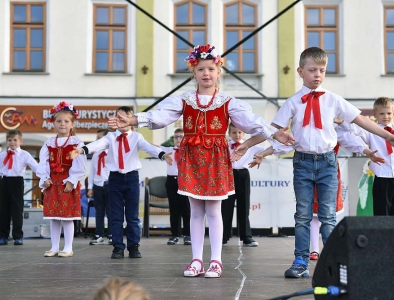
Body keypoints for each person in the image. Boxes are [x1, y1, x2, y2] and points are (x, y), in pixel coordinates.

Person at [107, 44, 295, 278]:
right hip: (193, 158)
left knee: (214, 210)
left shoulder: (228, 101)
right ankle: (196, 259)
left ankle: (215, 260)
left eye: (211, 69)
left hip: (216, 158)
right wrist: (134, 120)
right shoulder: (184, 100)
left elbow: (252, 122)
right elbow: (161, 116)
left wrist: (276, 134)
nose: (206, 73)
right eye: (201, 69)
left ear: (219, 72)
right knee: (195, 211)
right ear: (193, 73)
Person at [233, 47, 394, 278]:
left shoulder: (333, 100)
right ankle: (300, 261)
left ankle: (336, 263)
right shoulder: (293, 102)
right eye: (312, 70)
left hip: (328, 162)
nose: (317, 75)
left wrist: (387, 136)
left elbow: (359, 120)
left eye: (322, 70)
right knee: (303, 214)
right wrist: (248, 145)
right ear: (300, 71)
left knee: (328, 215)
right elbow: (272, 130)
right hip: (303, 162)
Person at [70, 106, 173, 259]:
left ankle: (133, 246)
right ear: (115, 121)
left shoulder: (136, 137)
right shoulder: (110, 137)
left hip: (131, 178)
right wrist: (82, 150)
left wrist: (162, 154)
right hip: (115, 179)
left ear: (132, 121)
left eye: (126, 118)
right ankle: (117, 247)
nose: (122, 122)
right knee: (116, 216)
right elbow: (97, 145)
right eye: (119, 118)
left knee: (132, 216)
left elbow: (149, 148)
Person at [36, 101, 86, 257]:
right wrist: (44, 178)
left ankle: (68, 247)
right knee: (54, 217)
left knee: (67, 216)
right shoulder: (49, 143)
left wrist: (72, 180)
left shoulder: (77, 143)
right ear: (53, 123)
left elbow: (80, 164)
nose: (62, 124)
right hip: (52, 182)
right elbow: (43, 162)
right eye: (59, 121)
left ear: (72, 124)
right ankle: (54, 247)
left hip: (67, 182)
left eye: (66, 121)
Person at [222, 123, 267, 247]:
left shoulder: (250, 146)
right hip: (228, 175)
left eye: (239, 132)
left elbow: (267, 149)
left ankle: (246, 237)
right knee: (226, 207)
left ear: (244, 133)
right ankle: (223, 236)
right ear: (229, 133)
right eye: (234, 132)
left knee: (244, 205)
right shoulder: (225, 145)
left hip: (243, 174)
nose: (237, 135)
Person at [0, 129, 38, 246]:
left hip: (17, 182)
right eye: (9, 140)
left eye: (15, 140)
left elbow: (35, 167)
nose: (12, 142)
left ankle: (18, 237)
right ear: (7, 141)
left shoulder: (25, 154)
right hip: (4, 181)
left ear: (20, 141)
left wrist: (45, 176)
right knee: (4, 210)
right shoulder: (3, 154)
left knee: (17, 210)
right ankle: (3, 236)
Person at [160, 128, 191, 246]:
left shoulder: (189, 150)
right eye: (176, 137)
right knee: (174, 209)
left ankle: (188, 235)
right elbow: (154, 147)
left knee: (186, 209)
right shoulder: (168, 150)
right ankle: (174, 235)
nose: (178, 139)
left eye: (181, 137)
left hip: (184, 181)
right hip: (172, 181)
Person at [87, 128, 112, 245]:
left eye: (99, 138)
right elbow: (92, 171)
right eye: (96, 138)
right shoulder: (96, 154)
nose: (96, 140)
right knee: (99, 212)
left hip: (110, 184)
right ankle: (99, 234)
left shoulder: (112, 153)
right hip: (98, 185)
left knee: (111, 211)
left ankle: (112, 235)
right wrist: (90, 187)